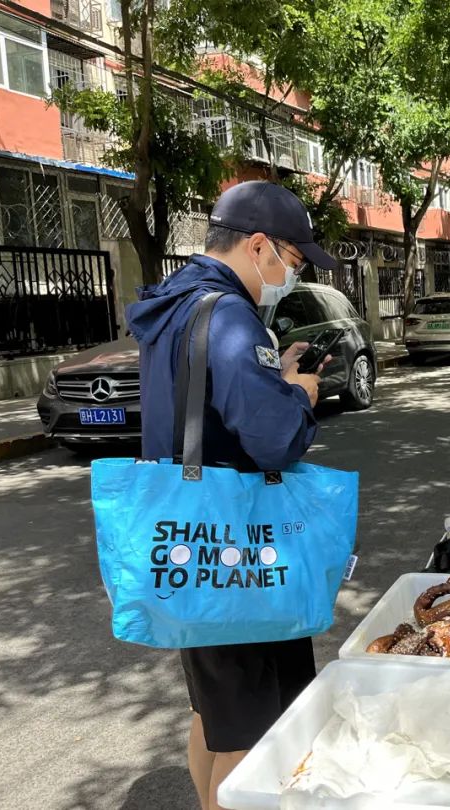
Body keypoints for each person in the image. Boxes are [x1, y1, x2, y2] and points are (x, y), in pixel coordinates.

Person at [126, 181, 339, 810]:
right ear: (258, 245)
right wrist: (298, 394)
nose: (292, 276)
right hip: (238, 556)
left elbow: (211, 403)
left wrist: (275, 375)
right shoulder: (230, 316)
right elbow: (274, 441)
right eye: (293, 260)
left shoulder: (176, 305)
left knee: (216, 716)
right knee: (255, 736)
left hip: (189, 543)